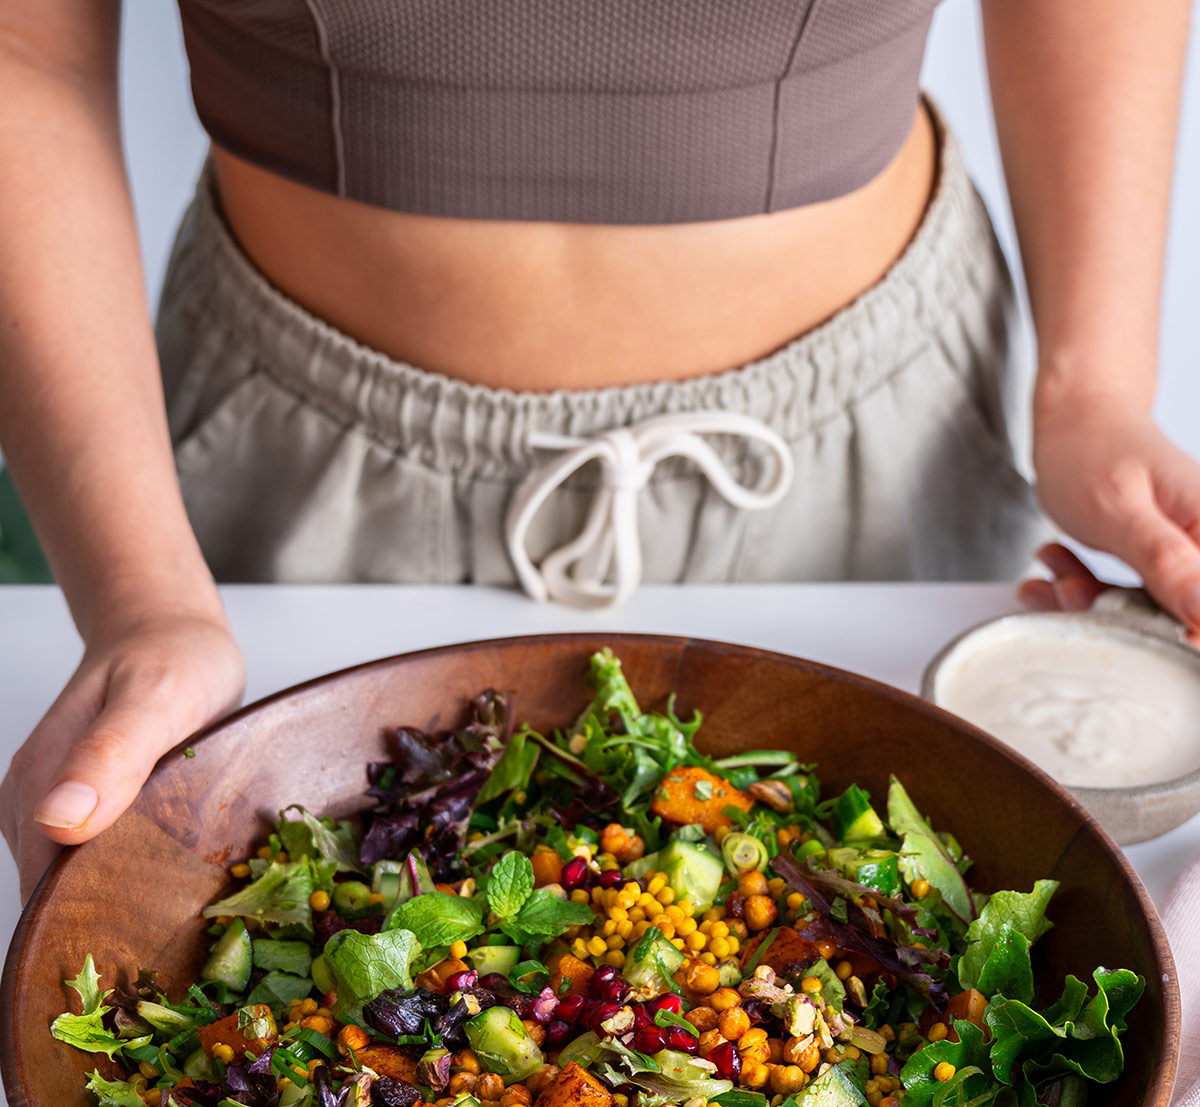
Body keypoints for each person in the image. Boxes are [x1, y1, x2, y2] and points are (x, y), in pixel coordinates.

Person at [2, 0, 1199, 900]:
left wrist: (1092, 389)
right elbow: (27, 49)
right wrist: (141, 601)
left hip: (879, 449)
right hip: (291, 459)